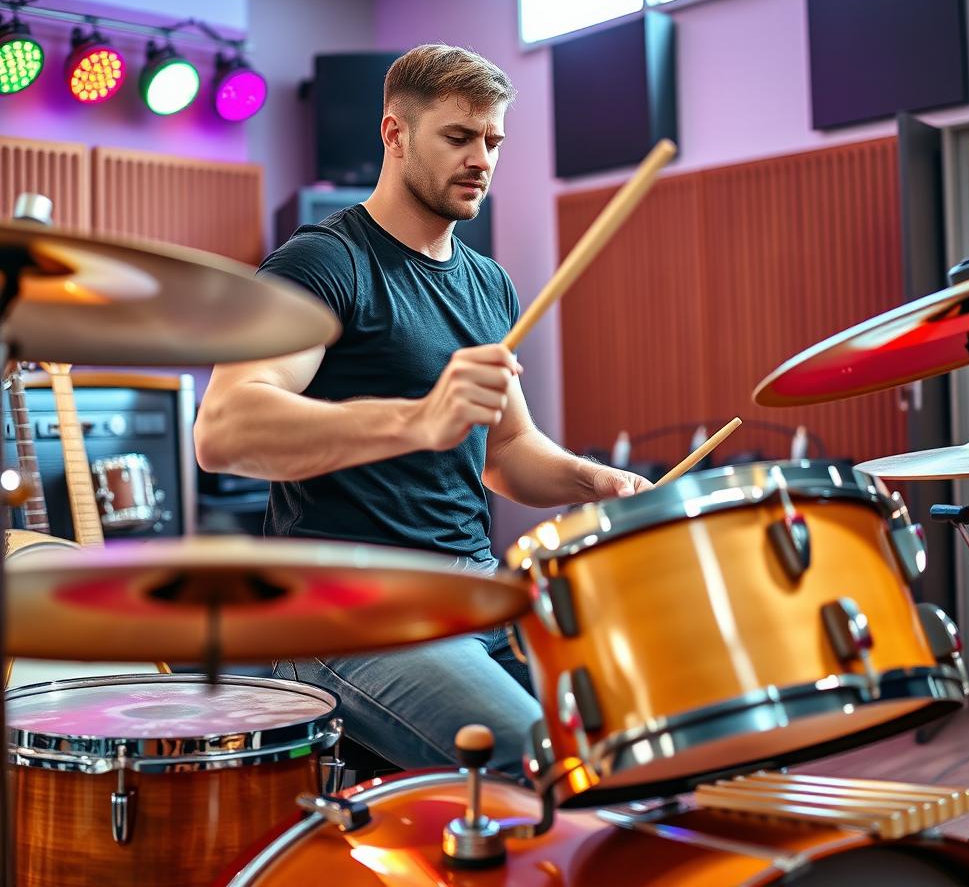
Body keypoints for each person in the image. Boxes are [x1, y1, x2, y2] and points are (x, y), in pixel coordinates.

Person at [194, 44, 652, 775]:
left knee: (636, 740)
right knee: (537, 765)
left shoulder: (488, 283)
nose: (482, 159)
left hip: (476, 591)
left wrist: (590, 481)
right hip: (349, 611)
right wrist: (417, 417)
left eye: (493, 141)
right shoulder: (323, 263)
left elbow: (505, 452)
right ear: (395, 134)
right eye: (459, 137)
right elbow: (224, 431)